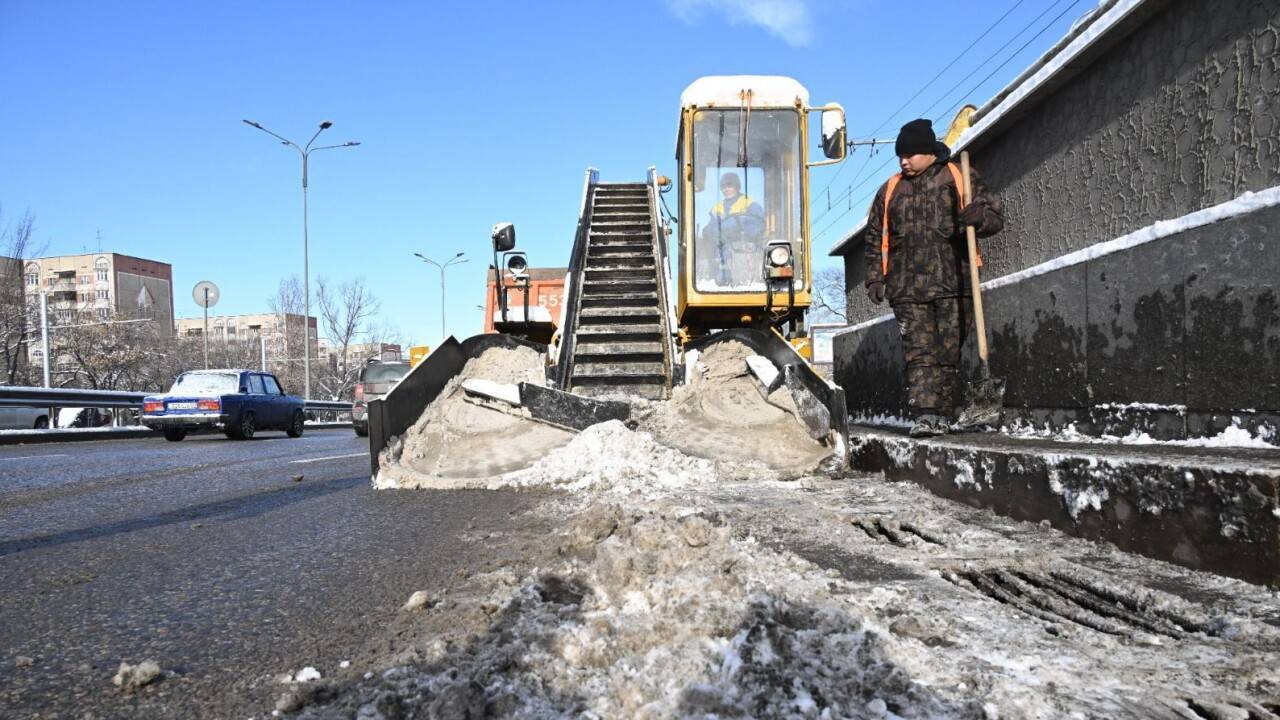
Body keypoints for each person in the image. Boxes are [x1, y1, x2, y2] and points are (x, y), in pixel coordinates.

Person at [863, 118, 1004, 438]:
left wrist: (980, 216)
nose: (904, 161)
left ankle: (942, 412)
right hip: (906, 288)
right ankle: (926, 415)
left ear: (929, 152)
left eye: (910, 155)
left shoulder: (958, 176)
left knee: (948, 352)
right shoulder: (890, 189)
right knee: (919, 354)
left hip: (954, 282)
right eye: (900, 156)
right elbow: (875, 237)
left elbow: (996, 218)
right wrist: (875, 277)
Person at [703, 172, 765, 286]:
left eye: (730, 185)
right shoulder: (717, 207)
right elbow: (712, 227)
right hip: (722, 248)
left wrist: (738, 226)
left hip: (744, 248)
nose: (726, 189)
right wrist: (710, 231)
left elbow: (758, 225)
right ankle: (717, 280)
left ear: (737, 186)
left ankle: (744, 282)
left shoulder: (750, 204)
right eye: (723, 186)